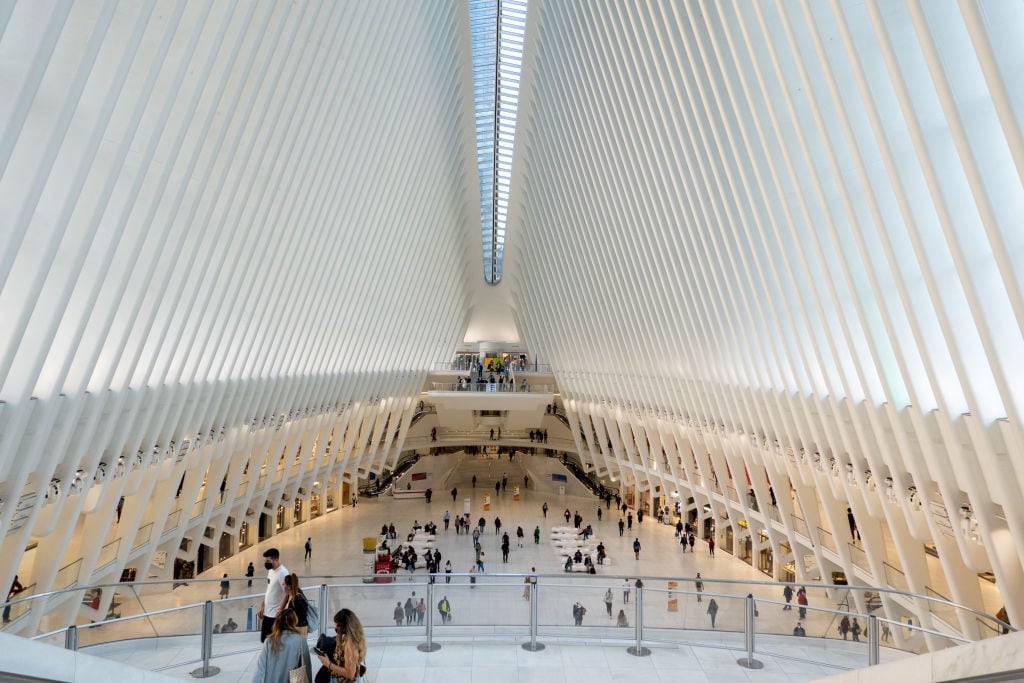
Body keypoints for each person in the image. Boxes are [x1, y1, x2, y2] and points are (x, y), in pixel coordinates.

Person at [252, 608, 311, 683]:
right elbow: (307, 667)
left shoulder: (269, 641)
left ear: (278, 622)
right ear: (294, 622)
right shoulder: (301, 640)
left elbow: (259, 669)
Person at [315, 608, 366, 683]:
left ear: (346, 627)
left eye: (337, 626)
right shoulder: (347, 638)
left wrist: (328, 664)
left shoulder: (350, 644)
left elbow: (350, 674)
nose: (335, 628)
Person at [257, 548, 290, 642]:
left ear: (275, 559)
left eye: (268, 561)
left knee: (273, 643)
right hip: (267, 613)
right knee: (265, 641)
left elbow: (287, 593)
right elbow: (269, 589)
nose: (266, 563)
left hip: (275, 616)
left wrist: (280, 610)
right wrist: (263, 605)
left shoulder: (283, 573)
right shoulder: (271, 571)